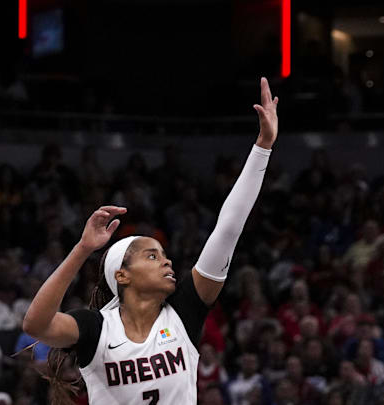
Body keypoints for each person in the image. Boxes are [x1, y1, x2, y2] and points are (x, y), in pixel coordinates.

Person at [21, 77, 279, 405]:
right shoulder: (96, 328)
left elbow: (227, 229)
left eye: (163, 254)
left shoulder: (185, 312)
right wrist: (83, 249)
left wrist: (263, 146)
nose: (167, 261)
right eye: (152, 256)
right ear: (122, 275)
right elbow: (36, 324)